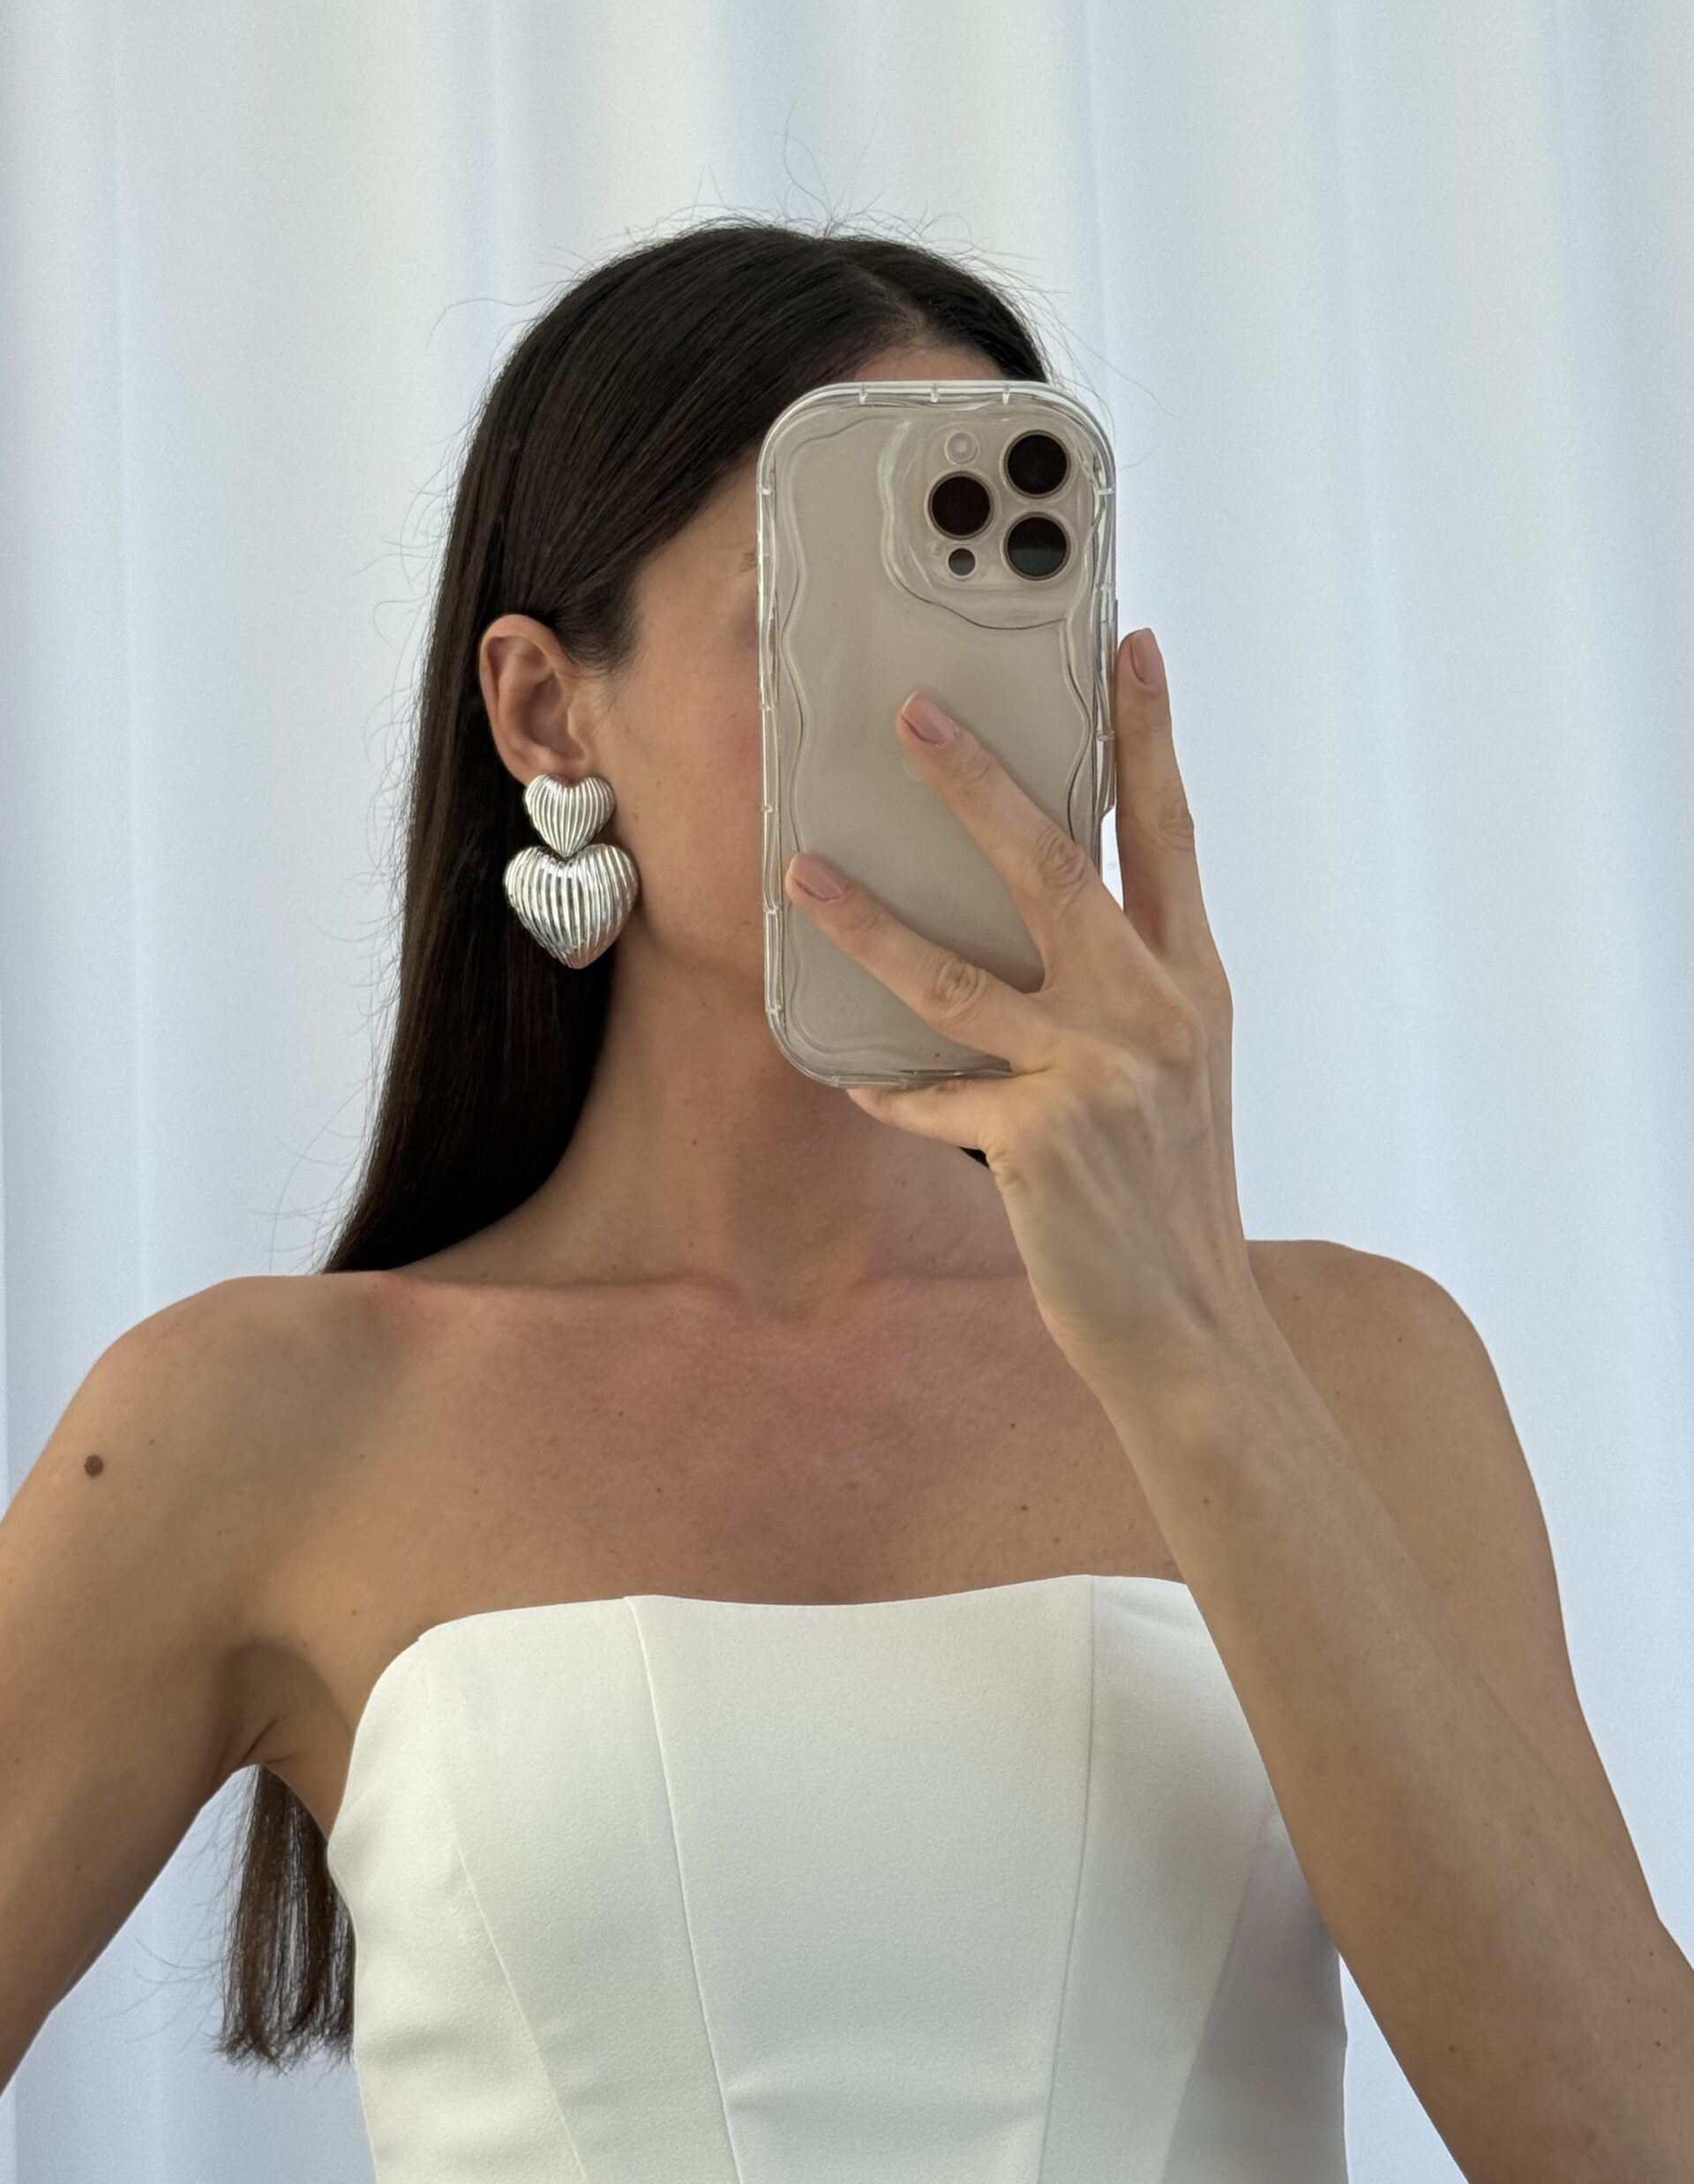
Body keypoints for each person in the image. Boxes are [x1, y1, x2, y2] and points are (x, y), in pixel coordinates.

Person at [0, 218, 1349, 2178]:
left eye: (1005, 625)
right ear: (549, 715)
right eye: (826, 619)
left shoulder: (1353, 1372)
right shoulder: (256, 1423)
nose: (944, 727)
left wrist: (1202, 1346)